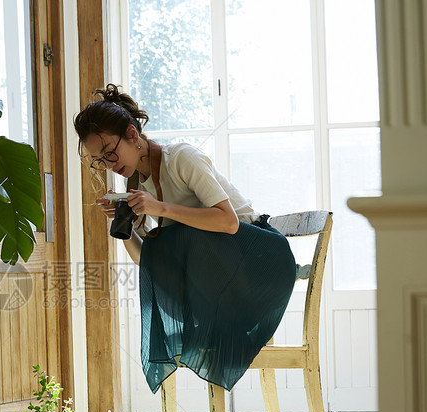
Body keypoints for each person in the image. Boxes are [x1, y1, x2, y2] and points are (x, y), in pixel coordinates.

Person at [74, 84, 297, 393]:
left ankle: (206, 327)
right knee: (164, 245)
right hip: (223, 280)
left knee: (178, 237)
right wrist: (123, 226)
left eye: (110, 152)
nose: (110, 165)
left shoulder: (182, 158)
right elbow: (148, 261)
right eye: (101, 161)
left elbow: (229, 223)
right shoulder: (140, 183)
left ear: (132, 134)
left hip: (258, 260)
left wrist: (158, 208)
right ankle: (202, 326)